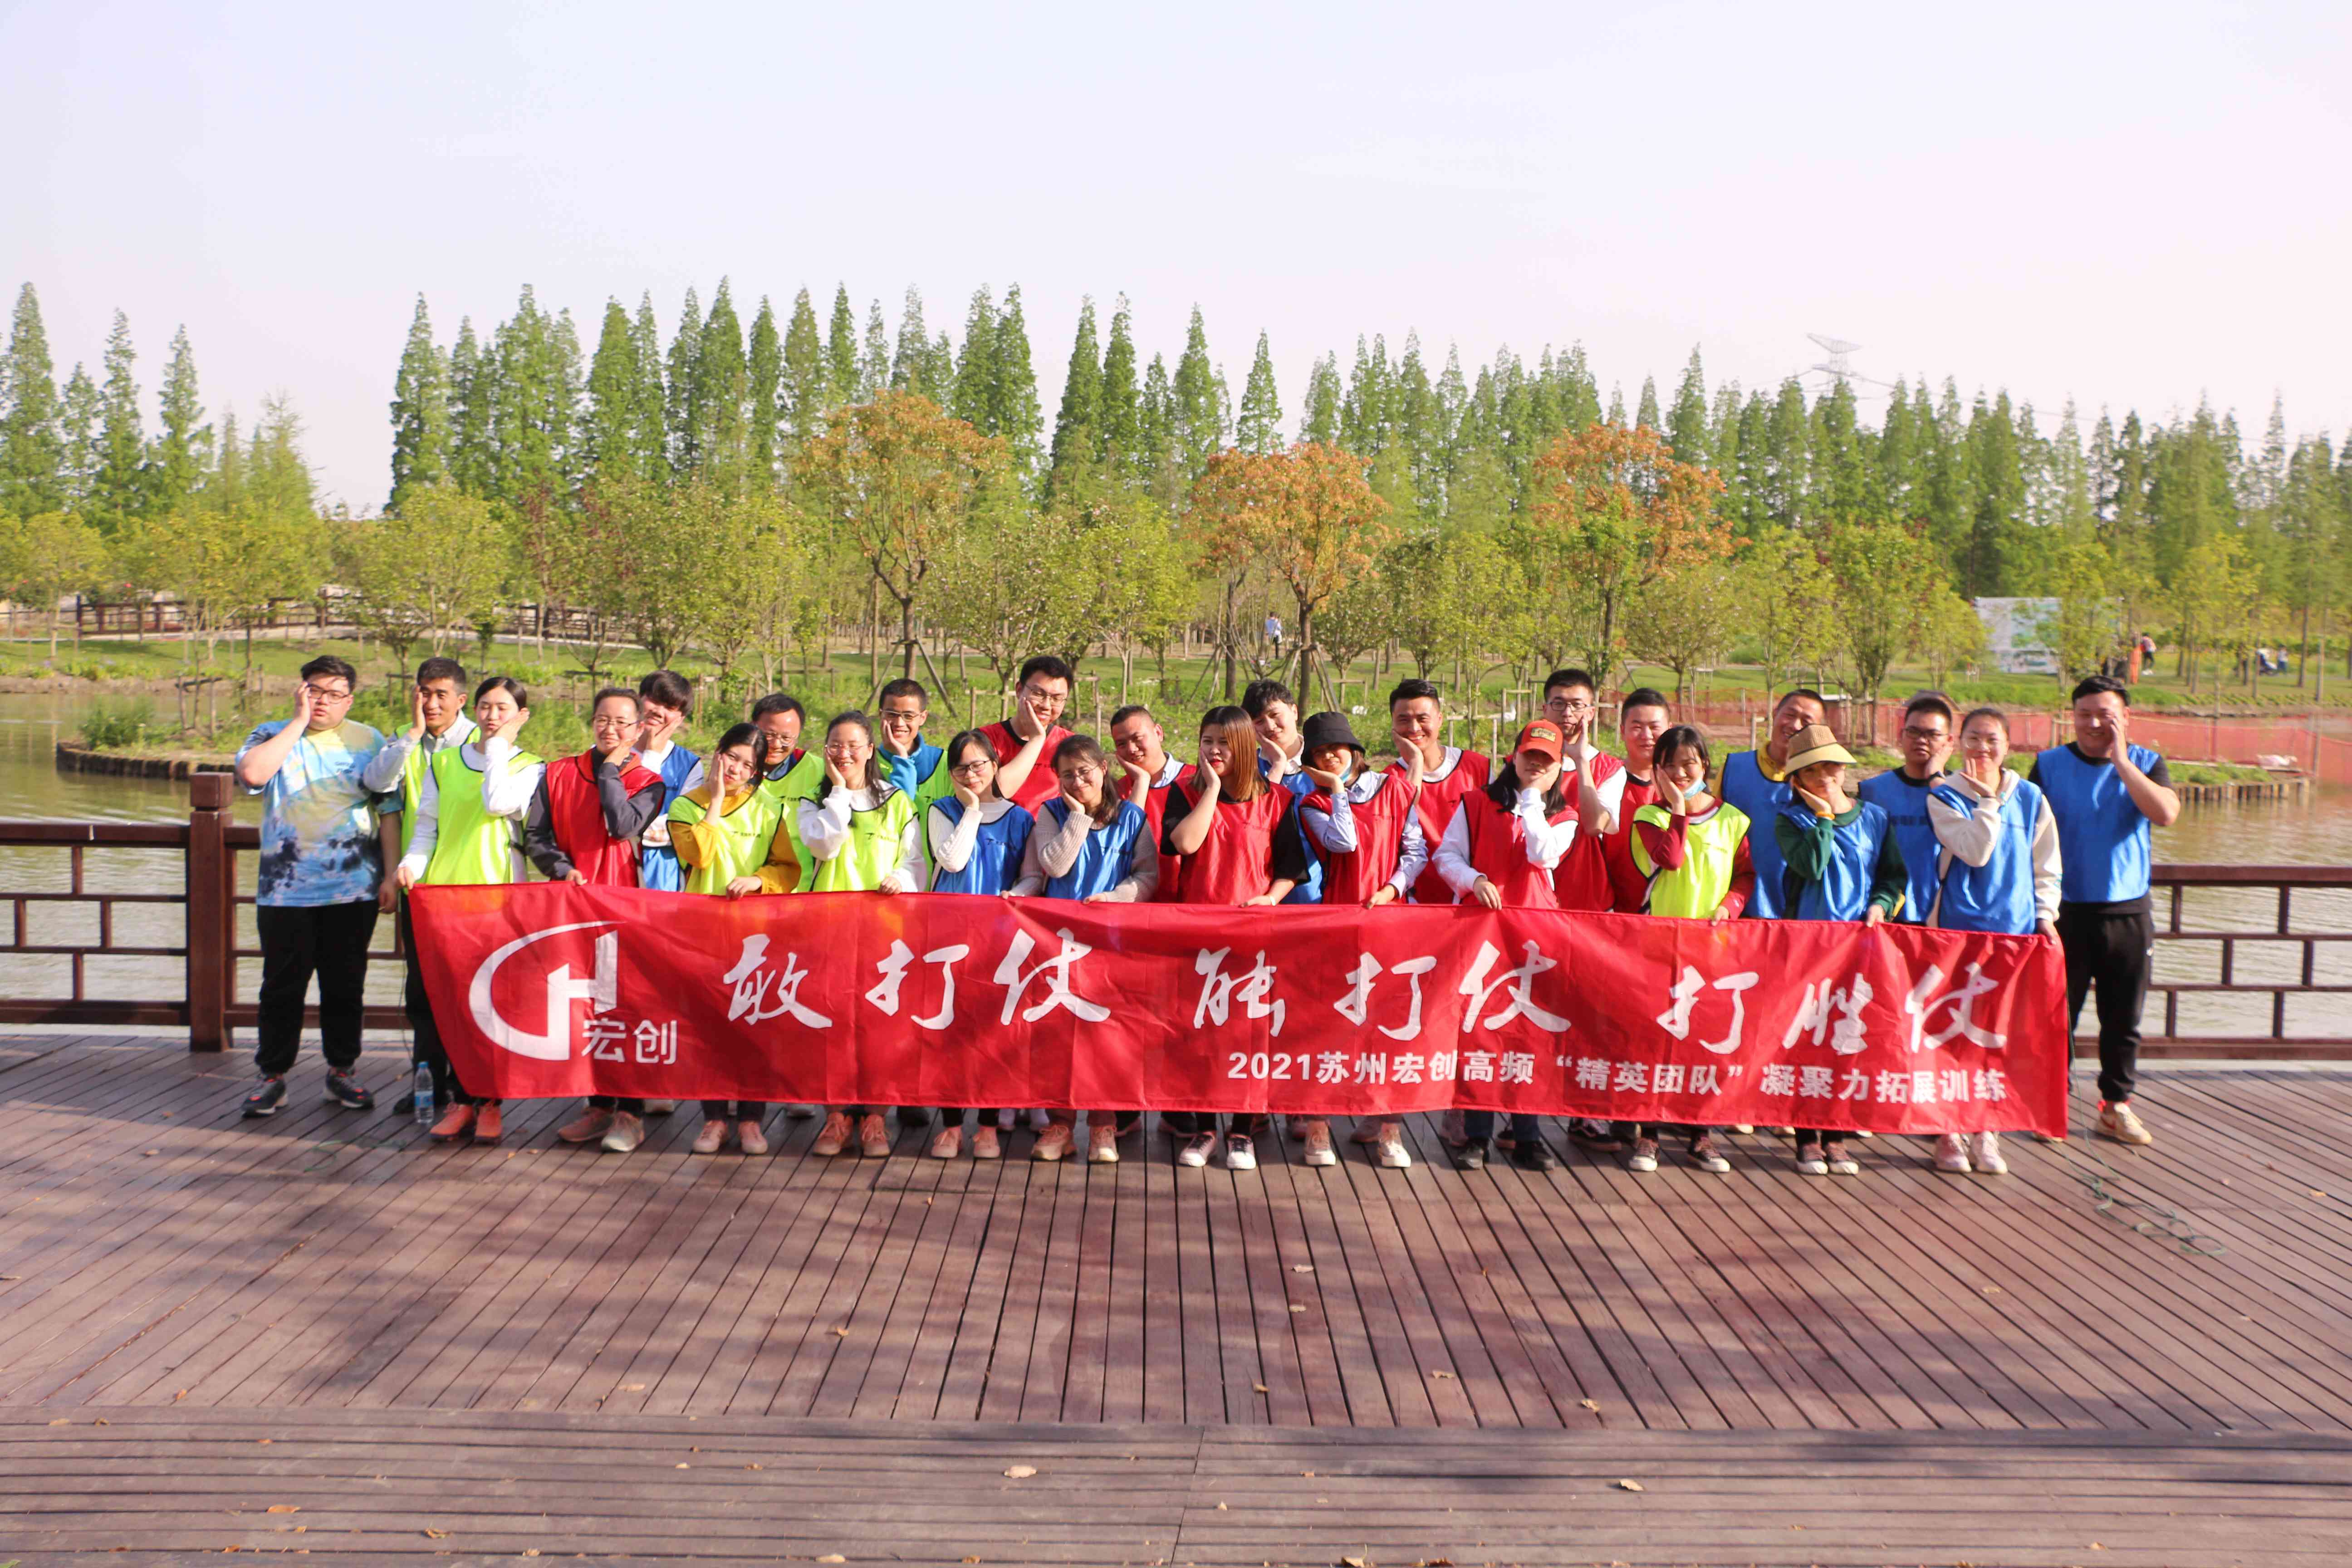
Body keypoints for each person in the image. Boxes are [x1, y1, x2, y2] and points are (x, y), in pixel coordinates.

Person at [232, 655, 394, 1121]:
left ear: (350, 699)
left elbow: (388, 811)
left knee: (346, 985)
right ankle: (272, 1077)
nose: (323, 701)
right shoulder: (271, 733)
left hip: (352, 888)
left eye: (334, 693)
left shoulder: (369, 741)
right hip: (286, 890)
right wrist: (298, 722)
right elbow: (254, 775)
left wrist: (388, 875)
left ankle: (341, 1071)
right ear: (300, 691)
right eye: (314, 691)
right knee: (282, 985)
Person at [2029, 675, 2180, 1147]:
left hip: (2127, 912)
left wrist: (2119, 759)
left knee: (2123, 1019)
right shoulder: (2049, 766)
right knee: (2057, 1018)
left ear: (2126, 718)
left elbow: (2166, 814)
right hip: (2065, 913)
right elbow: (2025, 833)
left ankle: (2115, 1107)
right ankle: (2050, 1104)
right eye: (2085, 715)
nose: (2094, 723)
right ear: (2070, 718)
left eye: (2106, 715)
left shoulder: (2146, 762)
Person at [395, 676, 544, 1146]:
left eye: (503, 708)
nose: (491, 716)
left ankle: (491, 1104)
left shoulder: (533, 767)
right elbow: (427, 827)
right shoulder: (443, 763)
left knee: (492, 1005)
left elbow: (498, 802)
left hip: (498, 901)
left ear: (522, 716)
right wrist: (411, 864)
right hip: (443, 899)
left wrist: (497, 750)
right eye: (485, 707)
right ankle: (460, 1102)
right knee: (450, 1006)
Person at [1161, 706, 1311, 1171]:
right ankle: (1206, 1127)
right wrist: (1210, 790)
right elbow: (1184, 845)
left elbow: (1291, 870)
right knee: (1201, 1034)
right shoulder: (1183, 793)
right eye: (1207, 740)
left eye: (1224, 742)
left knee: (1251, 1034)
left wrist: (1270, 899)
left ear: (1244, 745)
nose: (1213, 750)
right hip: (1198, 936)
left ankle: (1243, 1131)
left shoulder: (1278, 800)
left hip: (1254, 938)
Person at [528, 688, 667, 1154]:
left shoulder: (648, 781)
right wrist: (560, 869)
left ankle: (631, 1112)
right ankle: (597, 1105)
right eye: (603, 720)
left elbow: (622, 825)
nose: (611, 730)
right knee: (583, 1011)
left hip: (626, 911)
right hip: (572, 908)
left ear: (640, 728)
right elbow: (537, 836)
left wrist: (610, 767)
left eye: (622, 723)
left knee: (625, 1010)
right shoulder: (556, 773)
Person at [1431, 721, 1574, 1174]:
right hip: (1481, 936)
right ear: (1513, 755)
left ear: (1558, 769)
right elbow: (1446, 856)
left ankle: (1530, 1136)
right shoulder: (1475, 804)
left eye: (1546, 760)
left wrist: (1532, 801)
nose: (1536, 764)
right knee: (1480, 1033)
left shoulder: (1563, 816)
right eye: (1530, 755)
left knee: (1529, 1037)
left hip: (1535, 938)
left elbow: (1542, 854)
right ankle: (1477, 1136)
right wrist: (1473, 880)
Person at [1925, 706, 2062, 1175]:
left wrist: (2045, 915)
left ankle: (1988, 1132)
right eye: (1974, 739)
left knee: (1997, 1036)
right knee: (1952, 1033)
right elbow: (1976, 852)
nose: (1982, 749)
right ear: (1958, 744)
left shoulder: (2032, 797)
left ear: (2009, 746)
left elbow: (2046, 865)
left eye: (1992, 740)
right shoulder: (1944, 796)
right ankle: (1949, 1132)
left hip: (2014, 934)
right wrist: (1987, 802)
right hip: (1958, 933)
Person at [1009, 735, 1158, 1163]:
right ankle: (1060, 1124)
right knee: (1057, 1036)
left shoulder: (1132, 818)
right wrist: (1076, 818)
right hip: (1058, 944)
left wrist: (1116, 898)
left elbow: (1147, 876)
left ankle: (1103, 1127)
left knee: (1108, 1037)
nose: (1078, 781)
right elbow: (1050, 867)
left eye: (1085, 771)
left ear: (1103, 769)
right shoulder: (1050, 814)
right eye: (1068, 775)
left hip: (1112, 944)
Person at [1771, 722, 1904, 1178]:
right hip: (1808, 946)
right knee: (1809, 1040)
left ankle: (1838, 1135)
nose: (1824, 775)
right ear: (1798, 779)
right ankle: (1807, 1137)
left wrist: (1882, 905)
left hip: (1857, 947)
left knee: (1848, 1042)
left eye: (1830, 765)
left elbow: (1893, 878)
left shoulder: (1875, 818)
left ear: (1843, 767)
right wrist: (1824, 818)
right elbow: (1811, 864)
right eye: (1812, 770)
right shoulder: (1791, 821)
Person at [1295, 710, 1423, 1169]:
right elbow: (1344, 844)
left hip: (1391, 925)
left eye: (1339, 749)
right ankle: (1318, 1128)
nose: (1332, 757)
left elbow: (1416, 850)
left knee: (1389, 1031)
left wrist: (1393, 889)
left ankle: (1389, 1129)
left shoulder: (1396, 790)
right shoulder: (1312, 804)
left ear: (1356, 752)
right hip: (1339, 923)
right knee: (1327, 1028)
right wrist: (1335, 792)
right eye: (1321, 752)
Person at [797, 711, 925, 1160]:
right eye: (835, 745)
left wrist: (900, 880)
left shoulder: (896, 802)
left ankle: (875, 1118)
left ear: (872, 750)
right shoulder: (813, 801)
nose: (844, 753)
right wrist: (837, 792)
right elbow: (824, 846)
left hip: (884, 936)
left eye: (854, 745)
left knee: (881, 1028)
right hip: (828, 930)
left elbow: (916, 864)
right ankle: (837, 1117)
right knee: (833, 1024)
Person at [1626, 725, 1751, 1175]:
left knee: (1707, 1045)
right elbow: (1671, 859)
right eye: (1671, 765)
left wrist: (1730, 906)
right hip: (1660, 949)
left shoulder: (1735, 820)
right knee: (1656, 1042)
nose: (1681, 772)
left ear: (1705, 767)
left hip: (1712, 951)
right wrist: (1677, 809)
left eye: (1690, 764)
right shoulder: (1648, 818)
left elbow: (1744, 877)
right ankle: (1649, 1134)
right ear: (1657, 769)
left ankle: (1701, 1135)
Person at [667, 722, 794, 1155]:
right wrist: (717, 801)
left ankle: (752, 1121)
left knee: (755, 1028)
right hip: (702, 932)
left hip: (756, 935)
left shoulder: (772, 808)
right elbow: (699, 855)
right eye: (732, 757)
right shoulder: (685, 807)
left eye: (748, 765)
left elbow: (788, 868)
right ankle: (714, 1121)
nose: (737, 769)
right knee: (711, 1029)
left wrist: (759, 881)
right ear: (717, 753)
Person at [366, 656, 474, 1119]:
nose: (430, 703)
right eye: (423, 693)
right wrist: (390, 876)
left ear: (461, 700)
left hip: (472, 888)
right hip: (420, 888)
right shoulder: (404, 741)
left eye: (440, 694)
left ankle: (470, 1087)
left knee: (469, 988)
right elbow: (383, 800)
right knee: (422, 990)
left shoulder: (483, 742)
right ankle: (428, 1083)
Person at [922, 730, 1037, 1161]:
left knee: (993, 1035)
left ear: (995, 763)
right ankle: (951, 1126)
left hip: (1001, 944)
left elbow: (1030, 877)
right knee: (950, 1036)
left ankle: (987, 1127)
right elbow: (952, 860)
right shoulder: (942, 810)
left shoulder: (1021, 818)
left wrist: (1020, 894)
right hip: (950, 940)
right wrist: (971, 810)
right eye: (962, 768)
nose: (972, 775)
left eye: (979, 765)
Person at [1718, 688, 1828, 920]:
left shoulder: (1824, 782)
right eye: (1790, 715)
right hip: (1736, 905)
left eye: (1807, 722)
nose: (1795, 726)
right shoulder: (1734, 768)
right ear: (1775, 714)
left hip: (1799, 911)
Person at [1387, 678, 1490, 908]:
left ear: (1440, 720)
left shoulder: (1479, 768)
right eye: (1404, 720)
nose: (1414, 728)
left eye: (1423, 719)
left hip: (1472, 893)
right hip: (1415, 897)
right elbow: (1404, 821)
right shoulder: (1386, 780)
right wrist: (1415, 760)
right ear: (1392, 723)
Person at [1857, 693, 1955, 925]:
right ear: (1901, 736)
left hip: (1945, 914)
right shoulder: (1873, 791)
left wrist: (1936, 774)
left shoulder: (1961, 792)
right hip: (1885, 913)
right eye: (1913, 732)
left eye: (1933, 734)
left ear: (1949, 741)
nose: (1921, 740)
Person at [1537, 669, 1626, 914]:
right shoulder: (1520, 763)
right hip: (1533, 897)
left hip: (1587, 897)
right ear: (1545, 709)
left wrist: (1580, 761)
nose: (1567, 713)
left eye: (1577, 705)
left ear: (1591, 712)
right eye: (1559, 704)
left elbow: (1594, 825)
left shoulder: (1610, 769)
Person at [1242, 678, 1323, 904]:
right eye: (1259, 721)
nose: (1270, 726)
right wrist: (1277, 766)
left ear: (1294, 711)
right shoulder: (1246, 768)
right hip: (1261, 890)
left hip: (1320, 890)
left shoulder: (1325, 760)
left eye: (1275, 715)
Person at [1109, 703, 1192, 903]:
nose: (1131, 749)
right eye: (1121, 744)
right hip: (1136, 901)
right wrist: (1141, 782)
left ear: (1159, 732)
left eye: (1137, 739)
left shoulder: (1196, 780)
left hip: (1188, 900)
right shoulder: (1116, 792)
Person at [1602, 688, 1672, 914]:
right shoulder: (1605, 785)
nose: (1646, 735)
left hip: (1669, 912)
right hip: (1615, 914)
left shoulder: (1686, 789)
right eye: (1637, 727)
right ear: (1622, 731)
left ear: (1669, 730)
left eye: (1654, 727)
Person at [632, 670, 702, 894]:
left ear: (680, 719)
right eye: (654, 700)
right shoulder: (608, 754)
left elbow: (683, 824)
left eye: (670, 708)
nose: (658, 712)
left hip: (662, 867)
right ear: (639, 699)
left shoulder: (690, 765)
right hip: (611, 862)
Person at [981, 655, 1074, 812]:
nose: (1046, 705)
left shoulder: (1070, 745)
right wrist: (1037, 740)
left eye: (1057, 699)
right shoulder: (984, 741)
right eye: (1038, 693)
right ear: (1019, 690)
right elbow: (995, 793)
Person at [876, 676, 953, 813]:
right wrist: (902, 758)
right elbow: (899, 814)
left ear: (923, 718)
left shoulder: (945, 763)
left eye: (908, 716)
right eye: (892, 715)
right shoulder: (867, 763)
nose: (899, 723)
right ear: (880, 714)